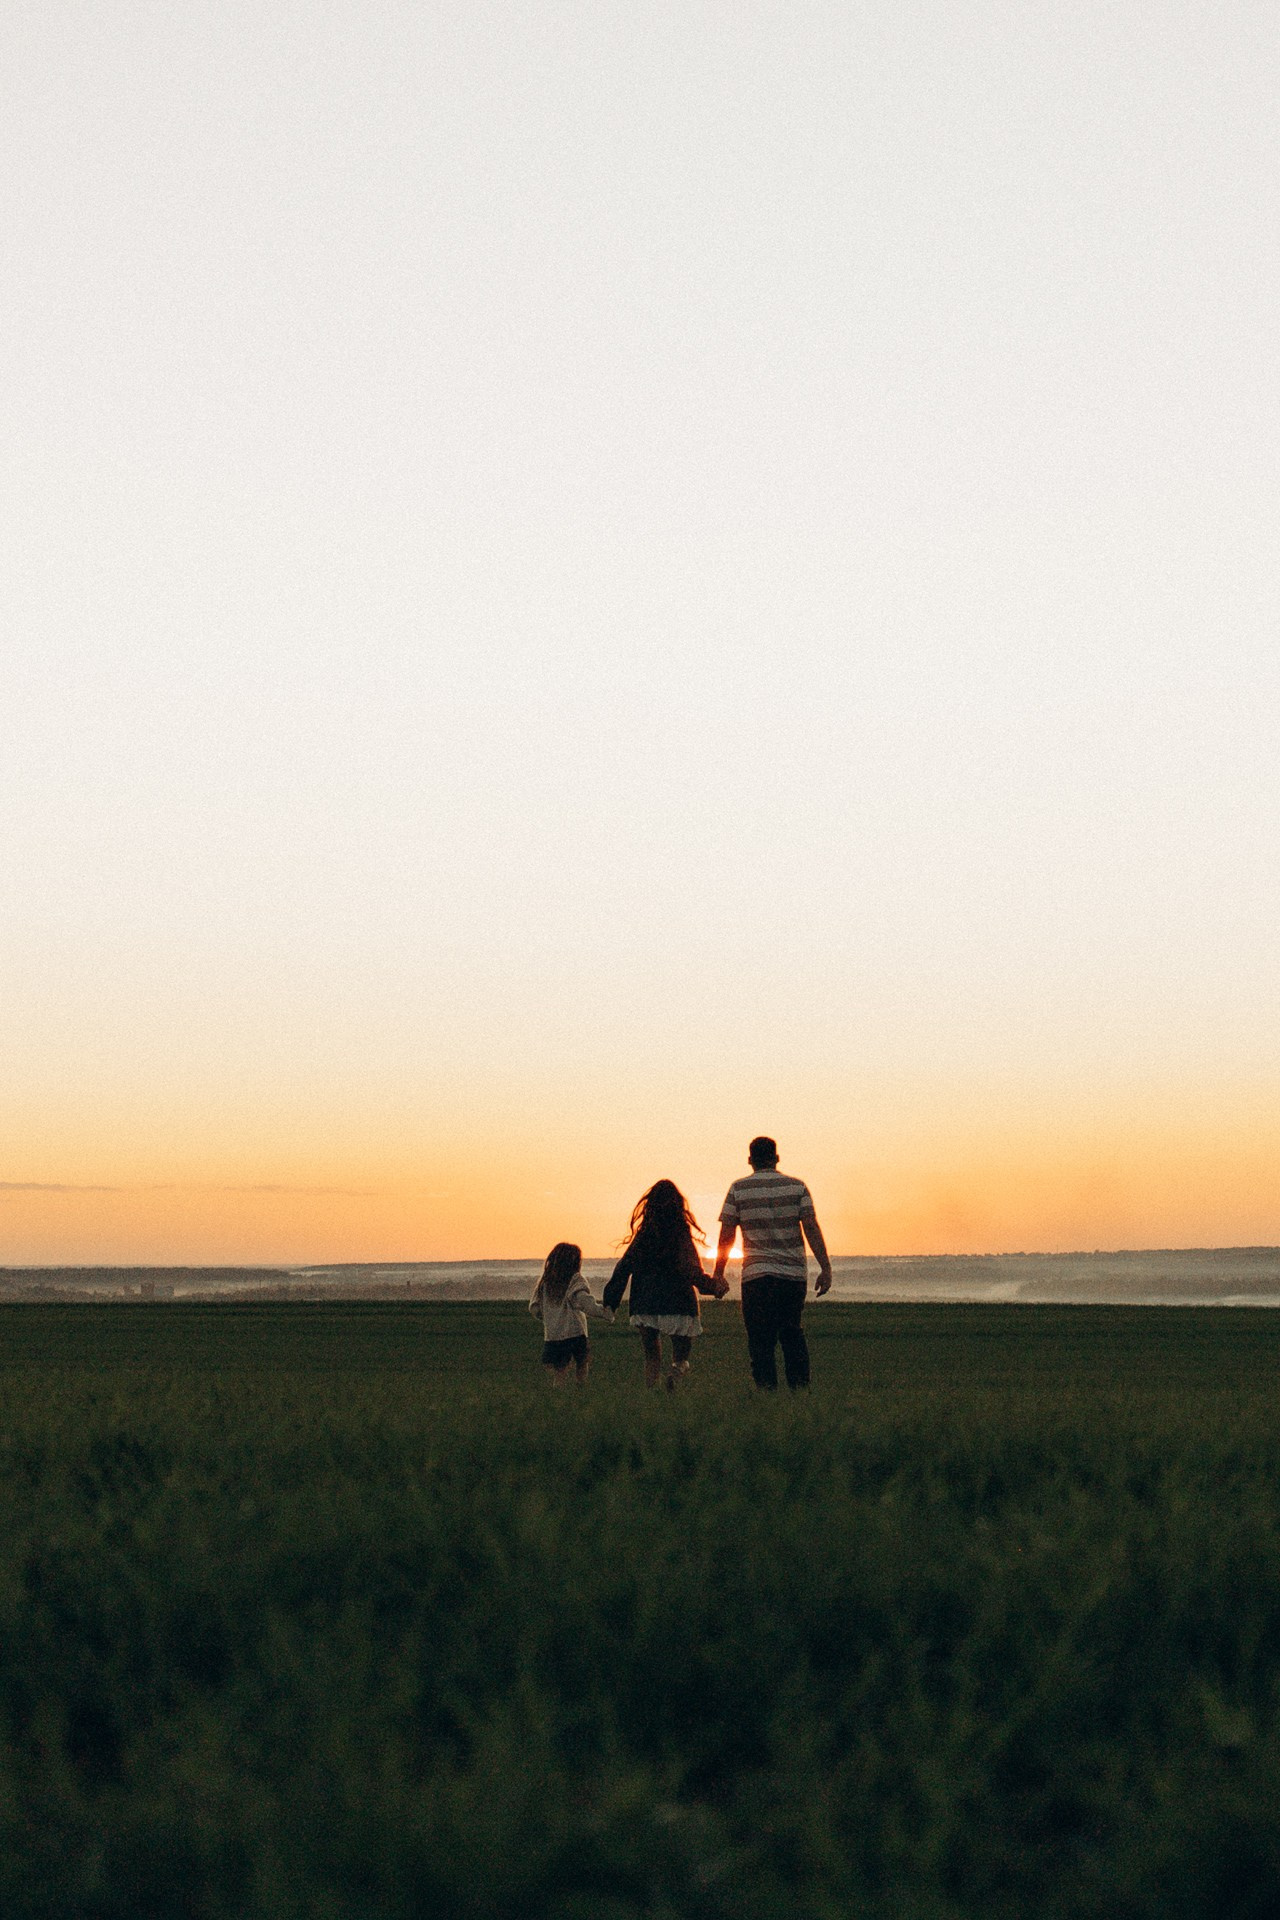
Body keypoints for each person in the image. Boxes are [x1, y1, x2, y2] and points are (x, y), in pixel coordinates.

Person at [713, 1137, 832, 1390]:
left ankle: (766, 1392)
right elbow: (810, 1227)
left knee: (760, 1340)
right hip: (792, 1277)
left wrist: (719, 1273)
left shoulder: (738, 1189)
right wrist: (825, 1267)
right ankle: (799, 1391)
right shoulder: (797, 1187)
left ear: (749, 1160)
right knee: (792, 1334)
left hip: (756, 1278)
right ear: (777, 1158)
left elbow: (727, 1234)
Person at [603, 1180, 722, 1390]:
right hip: (678, 1302)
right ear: (678, 1205)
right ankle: (676, 1374)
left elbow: (624, 1267)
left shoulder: (643, 1236)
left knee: (651, 1355)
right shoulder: (681, 1234)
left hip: (645, 1303)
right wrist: (712, 1287)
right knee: (681, 1353)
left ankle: (652, 1391)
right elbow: (691, 1270)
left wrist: (610, 1301)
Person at [530, 1242, 611, 1387]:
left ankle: (558, 1393)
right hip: (575, 1332)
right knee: (582, 1364)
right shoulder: (575, 1280)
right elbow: (586, 1303)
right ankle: (581, 1389)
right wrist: (604, 1313)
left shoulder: (545, 1283)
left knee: (559, 1371)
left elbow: (535, 1308)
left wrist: (549, 1317)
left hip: (554, 1334)